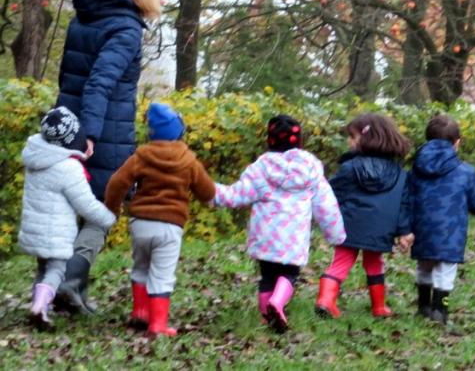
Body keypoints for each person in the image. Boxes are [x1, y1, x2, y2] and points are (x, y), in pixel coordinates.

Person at [55, 0, 162, 314]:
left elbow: (69, 78)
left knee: (69, 211)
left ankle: (66, 290)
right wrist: (91, 133)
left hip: (68, 123)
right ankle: (68, 284)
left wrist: (73, 127)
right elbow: (99, 82)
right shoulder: (126, 28)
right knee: (103, 209)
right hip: (102, 132)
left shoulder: (84, 20)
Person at [214, 115, 346, 333]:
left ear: (270, 140)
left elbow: (236, 195)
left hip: (265, 237)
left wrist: (210, 192)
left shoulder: (260, 168)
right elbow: (327, 206)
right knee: (289, 274)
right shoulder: (311, 170)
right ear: (299, 140)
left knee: (267, 277)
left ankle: (267, 318)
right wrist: (336, 235)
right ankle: (278, 302)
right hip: (293, 239)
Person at [104, 102, 216, 337]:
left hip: (141, 223)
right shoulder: (188, 160)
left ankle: (140, 312)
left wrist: (112, 209)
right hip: (169, 226)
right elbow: (207, 192)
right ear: (179, 130)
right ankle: (157, 325)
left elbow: (117, 183)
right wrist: (208, 198)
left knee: (141, 267)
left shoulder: (141, 156)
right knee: (162, 275)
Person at [18, 107, 116, 330]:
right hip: (57, 233)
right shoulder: (69, 168)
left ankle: (40, 305)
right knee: (56, 271)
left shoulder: (35, 160)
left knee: (42, 269)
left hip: (35, 230)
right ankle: (39, 307)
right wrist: (107, 218)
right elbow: (86, 205)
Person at [316, 113, 412, 319]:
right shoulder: (400, 173)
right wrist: (404, 231)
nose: (349, 141)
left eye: (352, 136)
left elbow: (331, 193)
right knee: (374, 263)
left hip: (350, 224)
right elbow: (403, 205)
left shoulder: (349, 168)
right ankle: (379, 306)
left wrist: (324, 216)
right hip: (381, 228)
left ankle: (325, 300)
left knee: (341, 262)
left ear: (366, 138)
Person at [407, 114, 475, 324]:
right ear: (457, 142)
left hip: (421, 229)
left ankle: (423, 306)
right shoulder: (466, 172)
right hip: (451, 232)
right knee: (445, 270)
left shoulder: (415, 170)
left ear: (427, 140)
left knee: (424, 265)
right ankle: (440, 308)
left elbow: (407, 199)